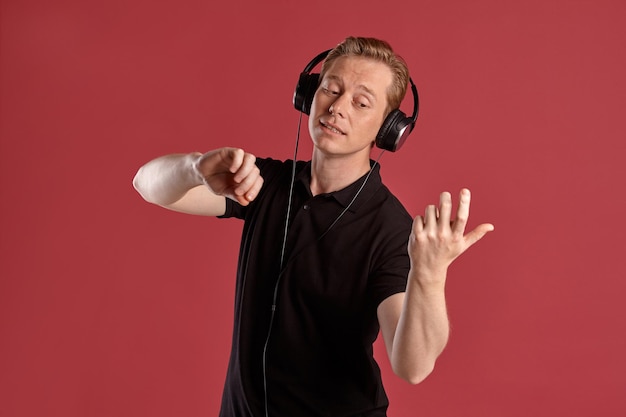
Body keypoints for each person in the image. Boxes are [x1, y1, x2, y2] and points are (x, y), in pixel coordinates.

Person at [133, 36, 494, 417]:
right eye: (331, 90)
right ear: (308, 96)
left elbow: (413, 367)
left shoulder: (391, 230)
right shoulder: (264, 183)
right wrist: (195, 168)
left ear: (387, 130)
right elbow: (146, 185)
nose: (337, 108)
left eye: (361, 102)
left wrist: (430, 276)